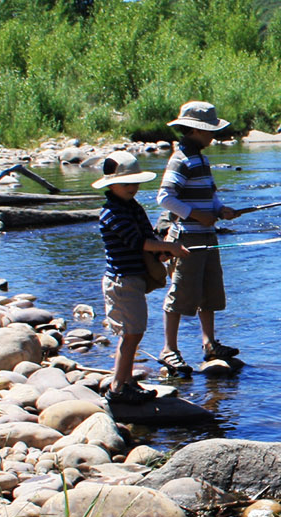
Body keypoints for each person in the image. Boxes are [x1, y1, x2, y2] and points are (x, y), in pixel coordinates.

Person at [157, 100, 243, 374]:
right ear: (194, 131)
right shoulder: (181, 159)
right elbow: (165, 198)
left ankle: (209, 344)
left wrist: (220, 210)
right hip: (187, 239)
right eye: (209, 131)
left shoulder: (201, 159)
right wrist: (195, 215)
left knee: (210, 292)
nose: (213, 136)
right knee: (180, 294)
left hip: (207, 236)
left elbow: (210, 195)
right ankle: (169, 349)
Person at [94, 156, 188, 405]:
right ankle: (118, 388)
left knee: (134, 333)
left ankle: (126, 383)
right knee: (131, 334)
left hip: (133, 279)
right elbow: (138, 243)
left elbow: (148, 235)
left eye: (134, 182)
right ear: (111, 185)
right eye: (126, 183)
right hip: (121, 281)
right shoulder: (110, 212)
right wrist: (171, 247)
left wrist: (163, 251)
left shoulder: (133, 207)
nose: (132, 187)